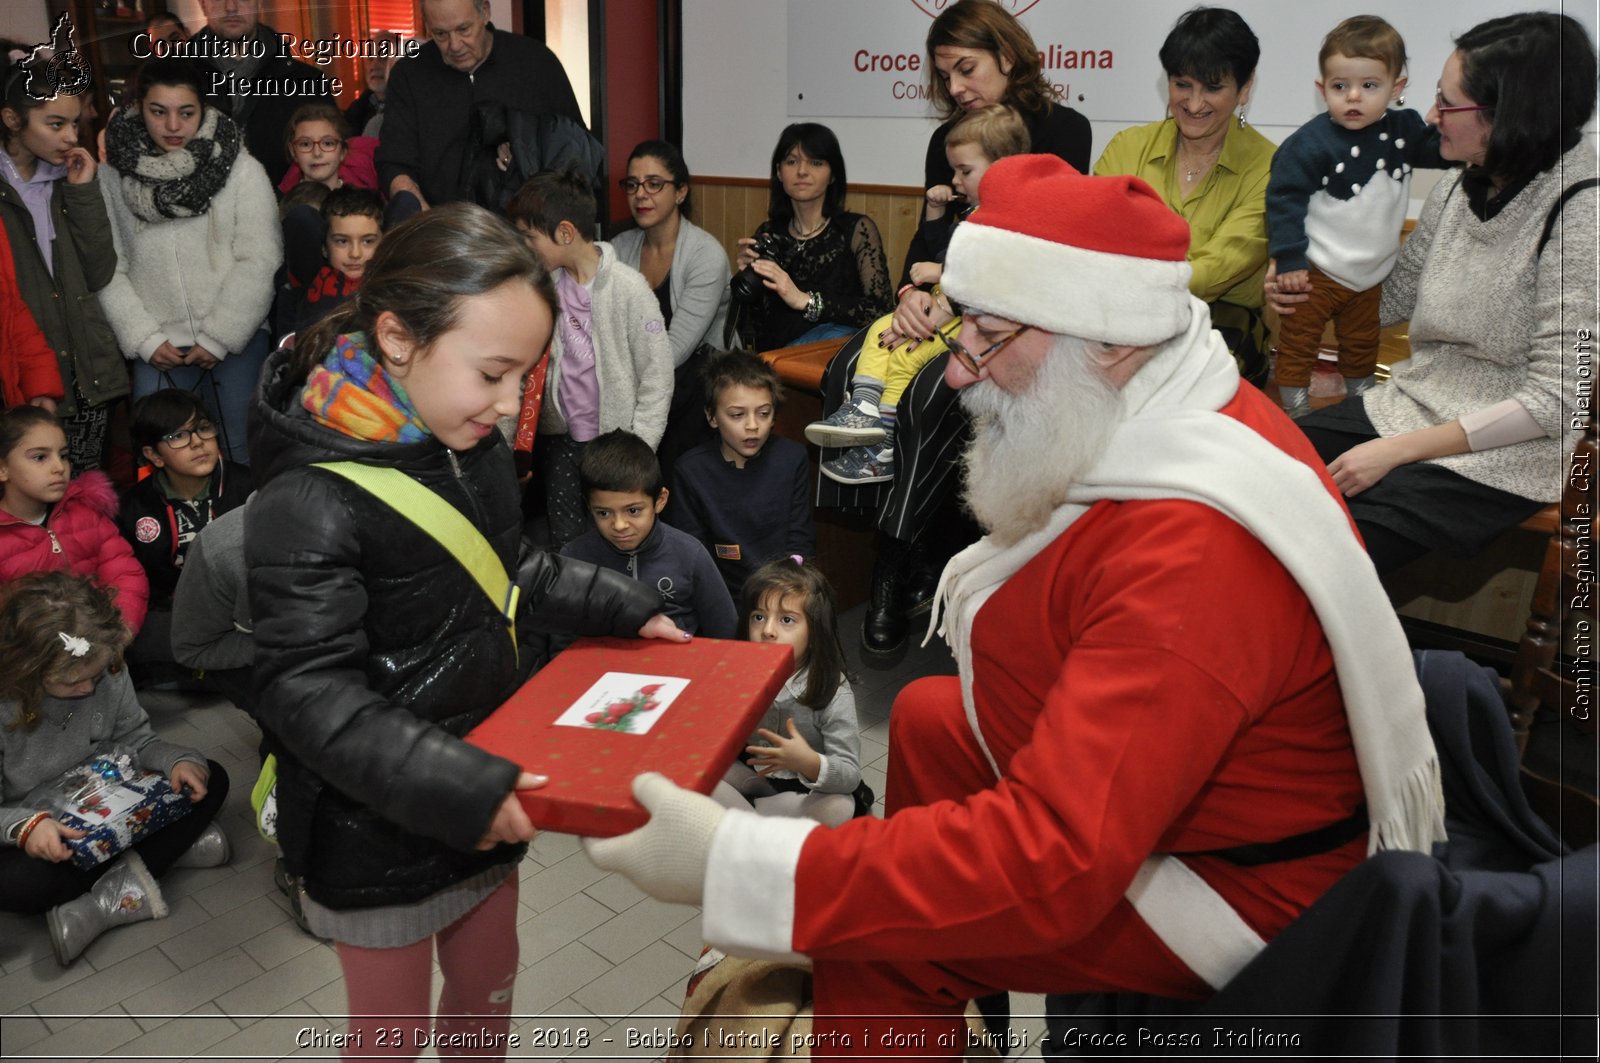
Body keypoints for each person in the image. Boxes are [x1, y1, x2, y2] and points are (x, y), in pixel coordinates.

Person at [586, 156, 1447, 1059]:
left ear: (1105, 338)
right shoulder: (1167, 388)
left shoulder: (1195, 551)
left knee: (877, 935)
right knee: (923, 713)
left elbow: (1059, 859)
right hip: (1195, 807)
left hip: (1235, 887)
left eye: (988, 339)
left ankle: (930, 983)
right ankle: (967, 1009)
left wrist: (743, 863)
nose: (958, 374)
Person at [244, 203, 683, 1054]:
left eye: (527, 374)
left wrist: (625, 605)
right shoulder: (308, 500)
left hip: (481, 796)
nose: (514, 402)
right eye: (493, 373)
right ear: (400, 339)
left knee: (486, 1000)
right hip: (378, 835)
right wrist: (457, 784)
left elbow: (512, 570)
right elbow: (308, 692)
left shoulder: (467, 439)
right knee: (391, 1038)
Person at [817, 0, 1094, 657]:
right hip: (947, 296)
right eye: (945, 77)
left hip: (1020, 321)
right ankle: (872, 519)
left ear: (1006, 54)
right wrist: (915, 293)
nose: (956, 88)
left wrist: (959, 301)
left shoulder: (1064, 129)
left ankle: (893, 563)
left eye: (965, 69)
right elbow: (930, 237)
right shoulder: (945, 141)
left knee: (924, 396)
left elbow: (1045, 245)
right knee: (843, 366)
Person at [1283, 13, 1599, 575]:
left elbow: (1560, 399)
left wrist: (1394, 451)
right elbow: (1392, 301)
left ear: (1509, 115)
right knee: (1260, 464)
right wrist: (1310, 285)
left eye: (1447, 105)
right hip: (1415, 405)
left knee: (1335, 559)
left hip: (1515, 451)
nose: (1430, 118)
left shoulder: (1582, 209)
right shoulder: (1460, 182)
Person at [0, 571, 231, 965]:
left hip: (108, 797)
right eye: (70, 682)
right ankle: (160, 859)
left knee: (211, 776)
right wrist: (27, 826)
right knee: (17, 886)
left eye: (95, 675)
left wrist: (175, 761)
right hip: (38, 819)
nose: (88, 689)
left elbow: (138, 741)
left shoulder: (106, 666)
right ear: (28, 669)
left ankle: (104, 903)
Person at [807, 104, 1028, 486]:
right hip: (947, 304)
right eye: (954, 170)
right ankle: (863, 409)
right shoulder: (973, 212)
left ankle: (883, 445)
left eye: (965, 171)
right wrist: (934, 211)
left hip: (974, 323)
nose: (956, 180)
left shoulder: (1010, 219)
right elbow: (939, 245)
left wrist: (941, 273)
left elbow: (994, 273)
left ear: (1002, 167)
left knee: (908, 358)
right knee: (883, 330)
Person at [98, 58, 281, 467]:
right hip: (155, 346)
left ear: (204, 109)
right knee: (160, 460)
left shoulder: (241, 169)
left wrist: (219, 336)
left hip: (236, 341)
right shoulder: (110, 174)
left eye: (186, 112)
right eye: (158, 111)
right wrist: (144, 339)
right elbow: (108, 265)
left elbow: (260, 257)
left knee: (242, 454)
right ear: (138, 108)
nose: (173, 126)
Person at [1266, 16, 1444, 418]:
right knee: (1300, 341)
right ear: (1322, 88)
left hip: (1371, 273)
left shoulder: (1405, 130)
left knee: (1362, 341)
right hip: (1316, 268)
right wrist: (1290, 259)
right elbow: (1284, 199)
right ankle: (1295, 404)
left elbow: (1442, 152)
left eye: (1369, 86)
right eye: (1340, 86)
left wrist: (1448, 124)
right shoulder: (1309, 144)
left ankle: (1359, 399)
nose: (1353, 98)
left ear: (1396, 88)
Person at [1094, 6, 1275, 388]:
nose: (1194, 104)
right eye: (1183, 85)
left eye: (1213, 87)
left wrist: (1136, 272)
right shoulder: (1128, 147)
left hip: (1219, 327)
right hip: (1114, 315)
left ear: (1245, 88)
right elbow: (1093, 239)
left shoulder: (1271, 166)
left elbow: (1217, 269)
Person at [508, 165, 673, 551]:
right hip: (562, 442)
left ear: (565, 233)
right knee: (567, 538)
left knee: (618, 537)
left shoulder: (629, 289)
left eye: (529, 237)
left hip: (616, 443)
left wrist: (639, 446)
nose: (524, 247)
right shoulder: (543, 288)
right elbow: (521, 370)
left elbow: (657, 375)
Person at [1, 62, 121, 468]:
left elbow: (99, 271)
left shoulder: (69, 177)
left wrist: (83, 192)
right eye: (55, 124)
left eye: (74, 123)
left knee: (86, 497)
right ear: (13, 120)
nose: (71, 137)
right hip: (23, 374)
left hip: (85, 369)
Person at [376, 0, 583, 216]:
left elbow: (578, 148)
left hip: (531, 231)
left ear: (485, 12)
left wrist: (527, 151)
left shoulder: (536, 62)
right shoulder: (410, 75)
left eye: (464, 29)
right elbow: (394, 162)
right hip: (440, 228)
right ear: (427, 27)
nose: (454, 45)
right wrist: (427, 223)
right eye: (440, 34)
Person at [610, 140, 731, 480]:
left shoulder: (705, 254)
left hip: (693, 383)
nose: (640, 194)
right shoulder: (619, 248)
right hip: (639, 378)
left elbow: (675, 350)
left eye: (654, 184)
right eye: (632, 185)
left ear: (680, 192)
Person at [712, 558, 863, 828]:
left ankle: (751, 824)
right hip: (757, 779)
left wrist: (809, 761)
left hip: (806, 788)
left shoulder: (833, 691)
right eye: (758, 617)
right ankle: (761, 821)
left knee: (840, 805)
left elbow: (850, 774)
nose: (768, 630)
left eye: (786, 620)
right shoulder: (739, 673)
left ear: (815, 630)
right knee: (700, 774)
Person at [117, 389, 252, 683]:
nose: (198, 442)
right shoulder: (134, 506)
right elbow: (137, 579)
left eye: (203, 428)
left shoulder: (249, 487)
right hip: (175, 612)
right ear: (153, 455)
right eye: (178, 436)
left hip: (243, 612)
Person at [665, 351, 815, 602]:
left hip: (784, 589)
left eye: (764, 413)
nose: (752, 425)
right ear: (712, 417)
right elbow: (693, 552)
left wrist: (785, 591)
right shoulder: (690, 470)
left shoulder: (792, 458)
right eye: (737, 415)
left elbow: (801, 539)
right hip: (720, 594)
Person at [560, 429, 737, 639]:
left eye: (633, 511)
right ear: (589, 506)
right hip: (599, 668)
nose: (619, 525)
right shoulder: (574, 558)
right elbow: (562, 639)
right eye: (604, 513)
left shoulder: (690, 554)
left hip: (677, 667)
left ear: (660, 501)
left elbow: (726, 631)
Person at [732, 122, 892, 351]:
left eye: (816, 162)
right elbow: (757, 327)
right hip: (774, 361)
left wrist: (806, 300)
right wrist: (747, 279)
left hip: (831, 360)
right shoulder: (770, 234)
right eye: (791, 161)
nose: (802, 171)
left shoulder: (856, 229)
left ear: (833, 175)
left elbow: (881, 311)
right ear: (779, 172)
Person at [0, 406, 147, 633]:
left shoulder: (86, 512)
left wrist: (118, 631)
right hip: (36, 660)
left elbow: (125, 574)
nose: (59, 468)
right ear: (2, 469)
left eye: (63, 455)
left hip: (103, 644)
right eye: (40, 457)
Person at [188, 0, 334, 189]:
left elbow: (335, 163)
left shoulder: (308, 82)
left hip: (286, 213)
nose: (231, 7)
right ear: (202, 4)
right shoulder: (173, 79)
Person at [279, 187, 383, 339]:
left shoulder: (387, 280)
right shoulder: (312, 275)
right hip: (318, 360)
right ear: (324, 247)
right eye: (342, 241)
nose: (355, 254)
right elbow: (301, 217)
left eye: (368, 241)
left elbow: (405, 201)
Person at [277, 103, 379, 196]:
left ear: (343, 151)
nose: (317, 153)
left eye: (327, 143)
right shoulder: (285, 206)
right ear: (293, 151)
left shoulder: (362, 204)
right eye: (305, 144)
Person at [343, 31, 400, 139]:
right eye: (370, 58)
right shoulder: (355, 112)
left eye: (383, 58)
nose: (374, 66)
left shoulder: (411, 110)